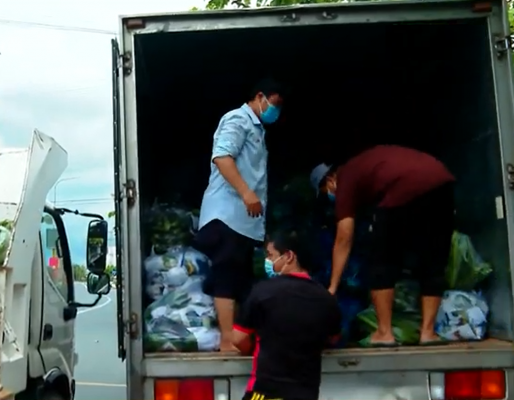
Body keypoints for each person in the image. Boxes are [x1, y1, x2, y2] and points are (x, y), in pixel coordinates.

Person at [311, 144, 455, 347]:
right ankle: (428, 333)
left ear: (330, 180)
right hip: (441, 182)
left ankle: (384, 333)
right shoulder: (366, 164)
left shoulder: (345, 180)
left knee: (381, 261)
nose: (330, 196)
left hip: (403, 188)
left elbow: (344, 237)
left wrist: (333, 286)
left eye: (326, 192)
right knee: (433, 260)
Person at [193, 78, 285, 352]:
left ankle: (238, 338)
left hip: (243, 223)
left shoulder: (257, 129)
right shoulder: (238, 119)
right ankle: (225, 340)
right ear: (260, 96)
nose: (275, 111)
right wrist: (246, 193)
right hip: (228, 216)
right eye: (275, 104)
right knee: (226, 278)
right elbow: (222, 157)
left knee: (241, 281)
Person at [233, 229, 341, 400]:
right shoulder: (326, 299)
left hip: (267, 392)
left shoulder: (263, 291)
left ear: (289, 256)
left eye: (270, 255)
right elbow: (332, 339)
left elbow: (239, 339)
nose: (267, 261)